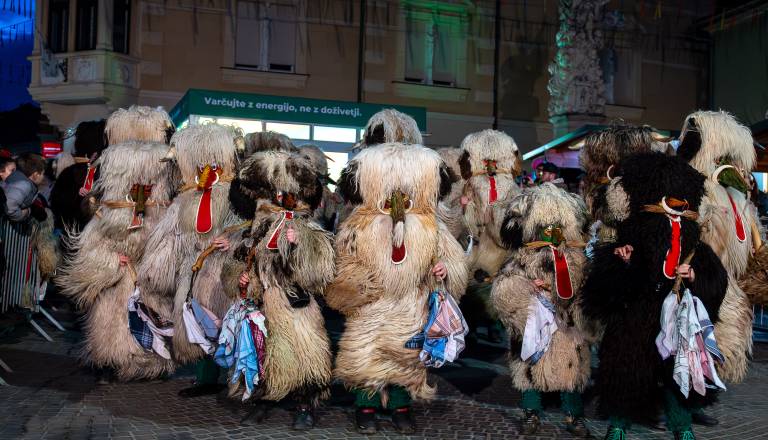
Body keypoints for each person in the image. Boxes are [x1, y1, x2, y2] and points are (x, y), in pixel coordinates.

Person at [582, 152, 728, 440]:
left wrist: (695, 276)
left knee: (680, 371)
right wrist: (622, 262)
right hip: (637, 314)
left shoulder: (694, 238)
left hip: (678, 316)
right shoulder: (632, 231)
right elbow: (602, 284)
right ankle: (619, 424)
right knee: (626, 369)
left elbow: (716, 279)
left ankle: (682, 425)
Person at [327, 141, 468, 434]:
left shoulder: (431, 227)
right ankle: (365, 407)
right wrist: (360, 288)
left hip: (410, 306)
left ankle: (400, 408)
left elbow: (452, 265)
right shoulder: (359, 225)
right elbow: (344, 264)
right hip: (371, 307)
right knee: (367, 357)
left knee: (406, 359)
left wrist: (442, 271)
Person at [224, 144, 335, 430]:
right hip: (265, 305)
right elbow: (242, 262)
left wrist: (300, 245)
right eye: (274, 194)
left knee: (305, 356)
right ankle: (264, 400)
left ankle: (305, 405)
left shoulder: (311, 230)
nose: (280, 200)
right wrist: (243, 280)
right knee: (264, 353)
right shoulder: (256, 229)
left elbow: (320, 274)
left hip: (296, 305)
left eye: (285, 195)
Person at [135, 124, 242, 398]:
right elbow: (171, 235)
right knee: (197, 324)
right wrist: (155, 268)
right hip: (194, 271)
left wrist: (235, 243)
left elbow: (249, 227)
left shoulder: (237, 196)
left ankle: (237, 377)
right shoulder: (185, 199)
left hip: (227, 270)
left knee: (229, 322)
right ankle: (206, 376)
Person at [493, 183, 597, 437]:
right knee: (528, 362)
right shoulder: (522, 256)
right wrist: (526, 288)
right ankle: (531, 411)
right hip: (533, 320)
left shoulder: (577, 257)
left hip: (566, 322)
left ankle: (574, 415)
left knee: (571, 366)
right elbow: (505, 285)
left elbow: (583, 285)